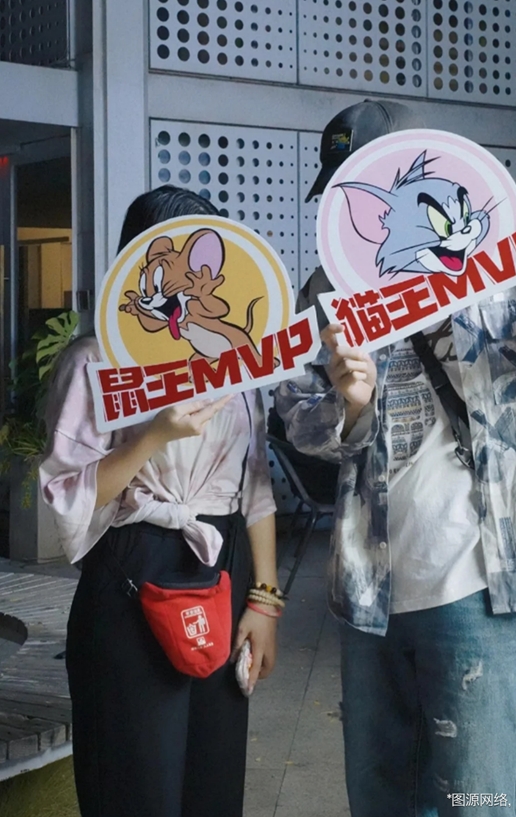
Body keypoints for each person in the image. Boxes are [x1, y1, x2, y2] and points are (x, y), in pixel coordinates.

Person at [275, 102, 516, 817]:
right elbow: (296, 419)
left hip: (480, 582)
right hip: (370, 592)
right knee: (382, 799)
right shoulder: (325, 294)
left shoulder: (509, 265)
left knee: (483, 798)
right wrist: (349, 405)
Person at [40, 185, 280, 817]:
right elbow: (67, 493)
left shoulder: (237, 360)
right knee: (133, 781)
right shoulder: (94, 361)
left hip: (223, 568)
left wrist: (265, 601)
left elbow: (256, 485)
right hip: (132, 569)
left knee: (213, 781)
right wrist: (152, 436)